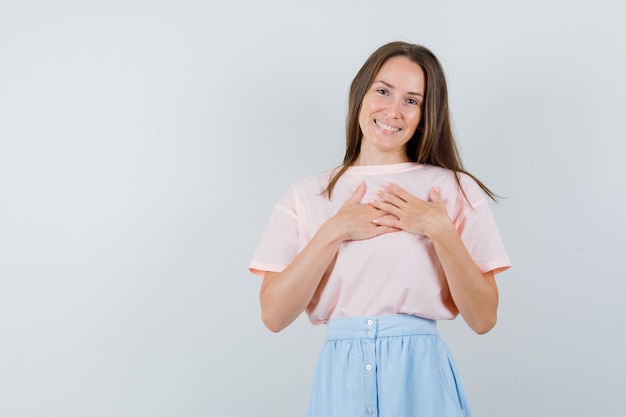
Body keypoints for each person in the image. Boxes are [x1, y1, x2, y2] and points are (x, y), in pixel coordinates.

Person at [249, 41, 511, 417]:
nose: (392, 110)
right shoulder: (306, 194)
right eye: (383, 91)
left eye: (411, 100)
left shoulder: (453, 190)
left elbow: (484, 318)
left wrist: (440, 230)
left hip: (421, 381)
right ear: (361, 92)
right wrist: (333, 230)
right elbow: (273, 316)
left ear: (426, 113)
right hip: (340, 380)